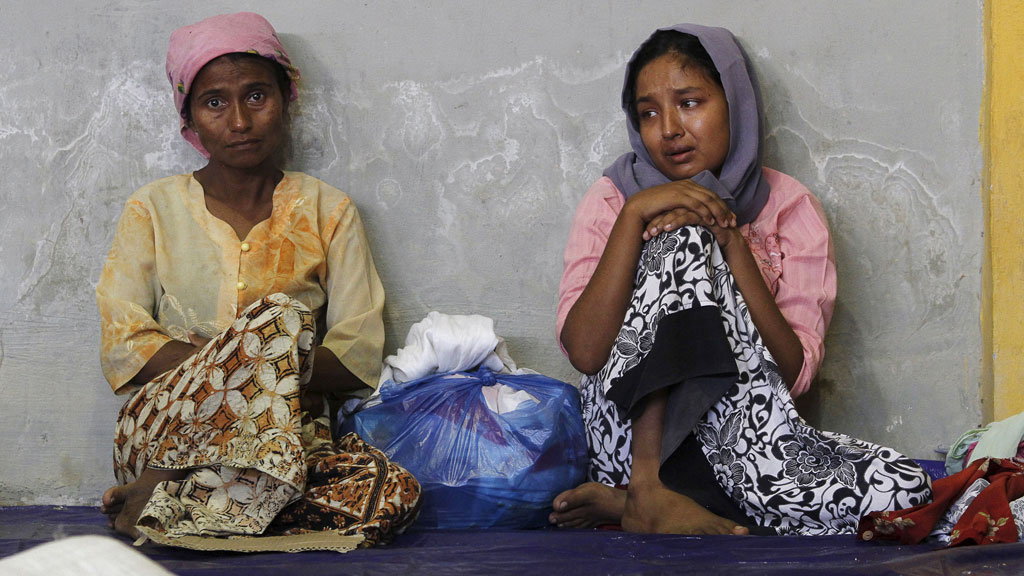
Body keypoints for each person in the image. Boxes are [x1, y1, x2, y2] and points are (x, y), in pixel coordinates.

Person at [549, 24, 931, 535]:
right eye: (649, 113)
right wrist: (637, 215)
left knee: (907, 489)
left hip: (745, 444)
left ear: (735, 103)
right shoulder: (614, 199)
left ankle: (654, 506)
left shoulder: (790, 207)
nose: (669, 129)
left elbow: (793, 376)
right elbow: (585, 352)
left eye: (689, 102)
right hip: (627, 438)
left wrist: (729, 240)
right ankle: (647, 492)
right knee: (678, 238)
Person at [96, 12, 419, 551]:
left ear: (286, 100)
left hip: (286, 445)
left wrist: (248, 359)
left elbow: (358, 353)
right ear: (190, 119)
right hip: (165, 434)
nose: (240, 121)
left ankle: (176, 510)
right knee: (282, 318)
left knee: (392, 493)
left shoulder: (327, 210)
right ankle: (167, 485)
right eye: (215, 102)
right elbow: (124, 341)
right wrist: (246, 353)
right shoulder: (151, 209)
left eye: (256, 96)